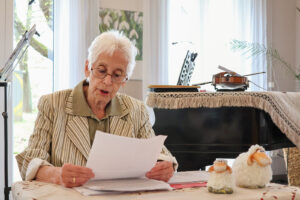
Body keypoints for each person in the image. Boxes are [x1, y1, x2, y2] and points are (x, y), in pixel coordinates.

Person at [16, 30, 177, 188]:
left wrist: (163, 166)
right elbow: (30, 161)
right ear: (88, 67)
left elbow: (160, 155)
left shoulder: (136, 110)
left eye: (117, 75)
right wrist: (57, 175)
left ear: (124, 80)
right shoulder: (52, 104)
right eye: (101, 70)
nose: (108, 81)